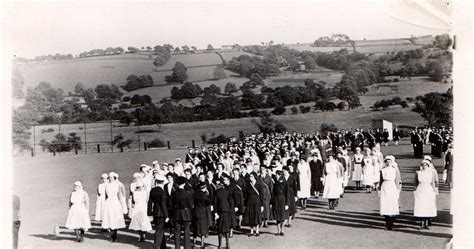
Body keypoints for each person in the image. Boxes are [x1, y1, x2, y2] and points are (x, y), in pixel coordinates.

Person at [379, 156, 402, 230]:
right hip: (385, 187)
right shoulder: (382, 170)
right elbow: (381, 181)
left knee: (392, 204)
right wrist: (379, 190)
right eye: (387, 162)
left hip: (392, 187)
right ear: (385, 162)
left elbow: (397, 181)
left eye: (390, 162)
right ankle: (387, 222)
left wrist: (398, 190)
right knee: (385, 204)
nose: (388, 163)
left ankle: (391, 223)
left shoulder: (395, 170)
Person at [102, 172, 126, 242]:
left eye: (111, 177)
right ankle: (112, 235)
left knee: (115, 218)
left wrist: (120, 204)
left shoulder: (117, 185)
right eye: (109, 177)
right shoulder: (106, 185)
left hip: (115, 202)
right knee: (109, 217)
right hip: (108, 202)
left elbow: (119, 195)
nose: (110, 178)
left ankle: (114, 235)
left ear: (114, 178)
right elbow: (105, 196)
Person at [414, 160, 438, 230]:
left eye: (426, 165)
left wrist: (434, 191)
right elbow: (415, 183)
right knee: (421, 206)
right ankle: (421, 223)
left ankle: (426, 223)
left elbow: (433, 183)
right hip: (420, 190)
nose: (424, 166)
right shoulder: (418, 173)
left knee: (428, 206)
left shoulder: (431, 173)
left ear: (428, 166)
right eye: (423, 165)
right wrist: (415, 191)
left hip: (428, 190)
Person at [148, 174, 169, 249]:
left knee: (160, 229)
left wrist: (149, 212)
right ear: (162, 182)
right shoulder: (162, 192)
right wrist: (166, 215)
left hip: (155, 212)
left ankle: (163, 246)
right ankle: (156, 246)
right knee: (159, 231)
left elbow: (150, 202)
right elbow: (163, 205)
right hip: (161, 214)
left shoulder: (152, 190)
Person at [172, 176, 194, 249]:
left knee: (177, 231)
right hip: (185, 213)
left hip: (177, 213)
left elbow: (171, 203)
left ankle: (177, 247)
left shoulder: (174, 193)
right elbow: (191, 205)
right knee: (186, 231)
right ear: (184, 184)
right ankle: (187, 247)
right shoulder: (187, 193)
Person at [214, 174, 234, 248]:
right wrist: (230, 209)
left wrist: (215, 212)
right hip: (227, 211)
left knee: (220, 229)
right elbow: (231, 202)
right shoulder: (228, 192)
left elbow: (215, 203)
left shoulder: (217, 192)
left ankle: (219, 245)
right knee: (226, 228)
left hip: (220, 212)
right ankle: (227, 243)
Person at [243, 172, 264, 236]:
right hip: (249, 202)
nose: (250, 178)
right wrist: (245, 204)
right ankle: (251, 231)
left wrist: (262, 205)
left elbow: (262, 195)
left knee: (256, 216)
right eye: (250, 176)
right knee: (250, 216)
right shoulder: (248, 185)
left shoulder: (259, 184)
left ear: (255, 177)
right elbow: (245, 195)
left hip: (257, 202)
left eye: (251, 176)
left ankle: (257, 231)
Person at [193, 181, 211, 247]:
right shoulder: (205, 195)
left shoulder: (195, 194)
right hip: (203, 213)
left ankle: (194, 242)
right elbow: (208, 203)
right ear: (205, 187)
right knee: (203, 229)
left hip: (196, 212)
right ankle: (202, 243)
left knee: (196, 228)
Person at [271, 170, 289, 236]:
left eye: (277, 175)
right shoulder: (275, 184)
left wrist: (287, 204)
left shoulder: (285, 184)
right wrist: (272, 202)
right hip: (276, 201)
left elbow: (287, 194)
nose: (276, 176)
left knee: (282, 216)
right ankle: (278, 231)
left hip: (283, 200)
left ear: (280, 175)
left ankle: (282, 230)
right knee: (277, 216)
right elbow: (273, 193)